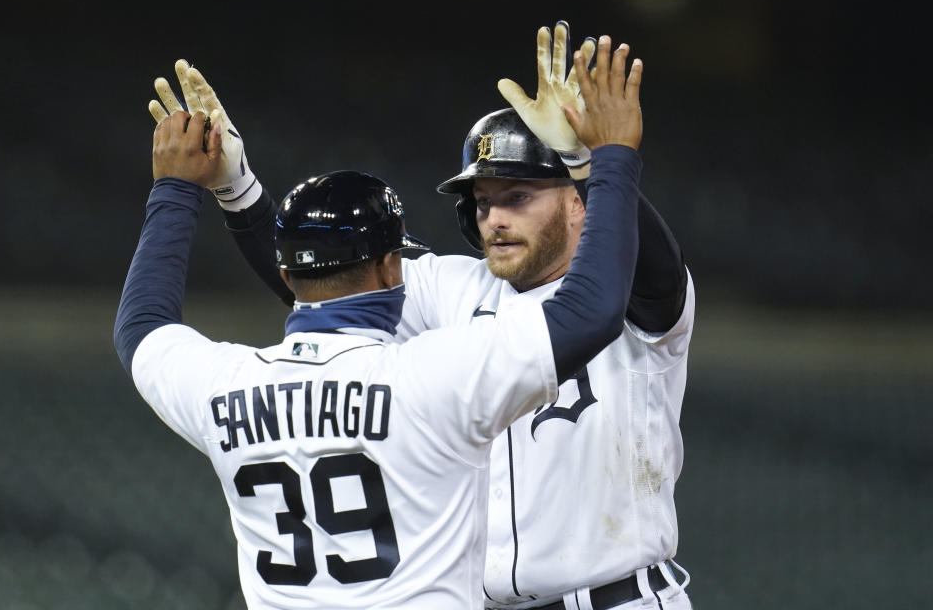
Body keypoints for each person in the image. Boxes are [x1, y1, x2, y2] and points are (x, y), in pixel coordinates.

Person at [118, 39, 647, 609]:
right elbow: (591, 309)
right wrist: (605, 161)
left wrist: (188, 188)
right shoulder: (433, 380)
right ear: (392, 265)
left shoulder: (225, 385)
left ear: (287, 274)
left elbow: (142, 327)